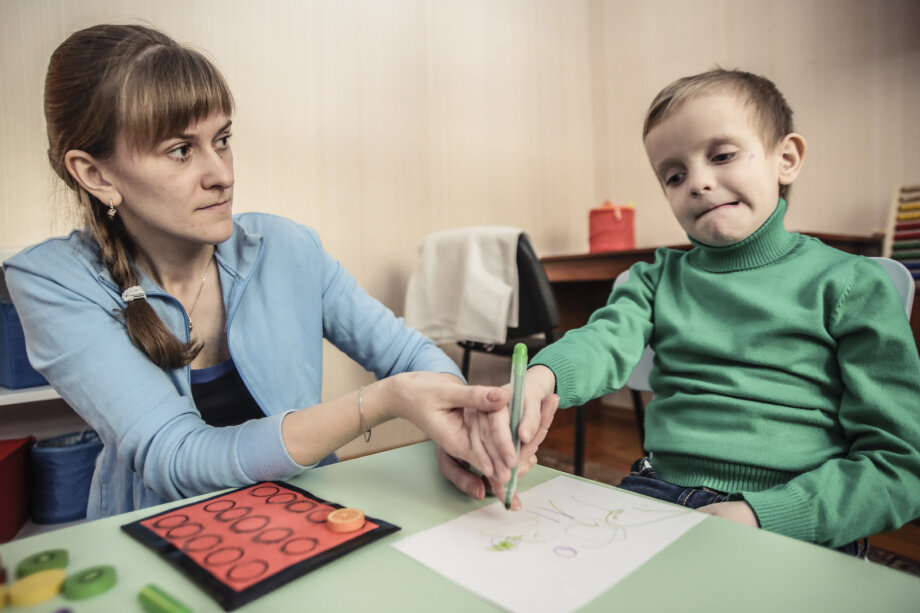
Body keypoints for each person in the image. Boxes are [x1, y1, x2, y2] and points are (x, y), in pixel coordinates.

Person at [3, 24, 556, 520]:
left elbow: (407, 355)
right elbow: (175, 455)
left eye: (222, 139)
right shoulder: (52, 281)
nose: (220, 174)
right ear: (95, 174)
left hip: (307, 518)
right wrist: (383, 401)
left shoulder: (288, 246)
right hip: (157, 537)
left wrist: (466, 427)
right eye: (179, 150)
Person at [517, 68, 920, 555]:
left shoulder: (851, 284)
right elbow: (603, 340)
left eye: (723, 156)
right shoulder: (656, 278)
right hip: (658, 491)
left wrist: (762, 516)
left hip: (793, 513)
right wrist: (542, 378)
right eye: (674, 175)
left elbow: (901, 464)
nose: (698, 184)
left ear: (786, 159)